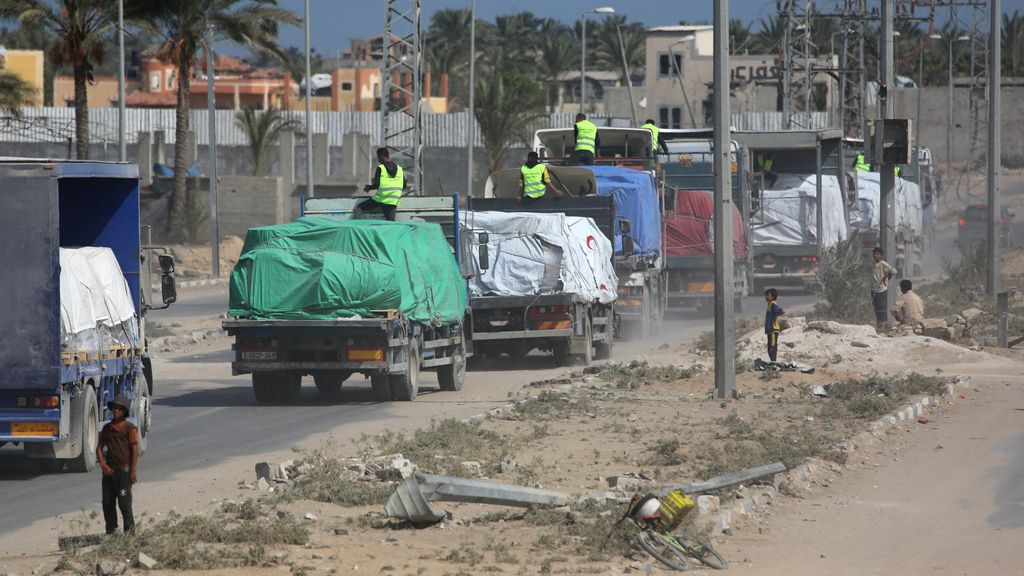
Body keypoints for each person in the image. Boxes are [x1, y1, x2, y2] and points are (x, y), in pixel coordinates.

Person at [96, 394, 139, 535]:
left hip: (123, 472)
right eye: (114, 408)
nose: (115, 411)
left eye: (119, 409)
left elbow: (134, 449)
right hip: (109, 472)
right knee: (107, 503)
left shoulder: (129, 428)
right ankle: (111, 530)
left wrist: (132, 471)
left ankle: (130, 531)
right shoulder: (107, 429)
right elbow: (99, 448)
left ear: (124, 412)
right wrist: (103, 465)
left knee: (124, 503)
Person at [355, 147, 405, 221]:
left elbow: (377, 185)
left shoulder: (381, 168)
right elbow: (404, 185)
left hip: (381, 199)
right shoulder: (400, 169)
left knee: (359, 207)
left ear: (381, 156)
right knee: (391, 222)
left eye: (378, 157)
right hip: (393, 200)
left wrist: (369, 187)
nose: (378, 160)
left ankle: (355, 226)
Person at [870, 247, 898, 332]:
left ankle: (882, 326)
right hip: (874, 289)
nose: (875, 256)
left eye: (877, 254)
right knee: (877, 308)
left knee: (881, 307)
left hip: (881, 289)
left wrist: (885, 278)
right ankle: (879, 325)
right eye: (874, 254)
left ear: (881, 255)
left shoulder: (883, 263)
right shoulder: (874, 264)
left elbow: (893, 271)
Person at [764, 288, 785, 362]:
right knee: (770, 347)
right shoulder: (770, 305)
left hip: (773, 329)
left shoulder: (773, 304)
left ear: (773, 296)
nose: (766, 297)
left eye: (768, 295)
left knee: (772, 347)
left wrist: (775, 316)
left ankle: (773, 362)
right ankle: (773, 361)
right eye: (765, 295)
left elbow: (782, 311)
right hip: (770, 330)